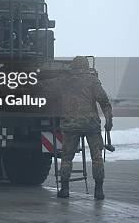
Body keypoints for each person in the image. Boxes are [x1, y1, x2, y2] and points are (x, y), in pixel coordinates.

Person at [55, 56, 113, 200]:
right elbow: (104, 101)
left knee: (66, 158)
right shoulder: (92, 80)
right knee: (97, 158)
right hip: (91, 125)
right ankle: (98, 191)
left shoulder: (64, 81)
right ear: (86, 66)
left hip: (70, 125)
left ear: (73, 66)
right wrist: (109, 121)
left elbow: (49, 91)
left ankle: (64, 189)